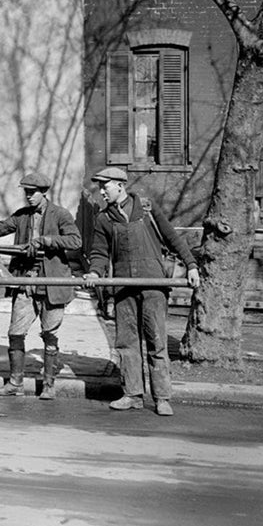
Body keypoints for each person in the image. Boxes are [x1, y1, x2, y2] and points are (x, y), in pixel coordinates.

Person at [82, 166, 201, 416]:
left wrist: (191, 265)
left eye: (105, 186)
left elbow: (172, 238)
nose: (101, 191)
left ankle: (162, 397)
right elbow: (100, 253)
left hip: (153, 287)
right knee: (127, 343)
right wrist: (94, 273)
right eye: (100, 186)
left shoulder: (146, 209)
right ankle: (133, 394)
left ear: (120, 186)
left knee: (156, 341)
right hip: (124, 288)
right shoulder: (104, 218)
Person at [0, 176, 83, 397]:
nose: (29, 196)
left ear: (43, 192)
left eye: (33, 192)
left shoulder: (60, 214)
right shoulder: (22, 216)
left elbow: (75, 241)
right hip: (25, 283)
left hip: (52, 285)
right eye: (26, 192)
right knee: (15, 333)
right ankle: (15, 384)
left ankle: (49, 385)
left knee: (49, 334)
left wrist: (47, 240)